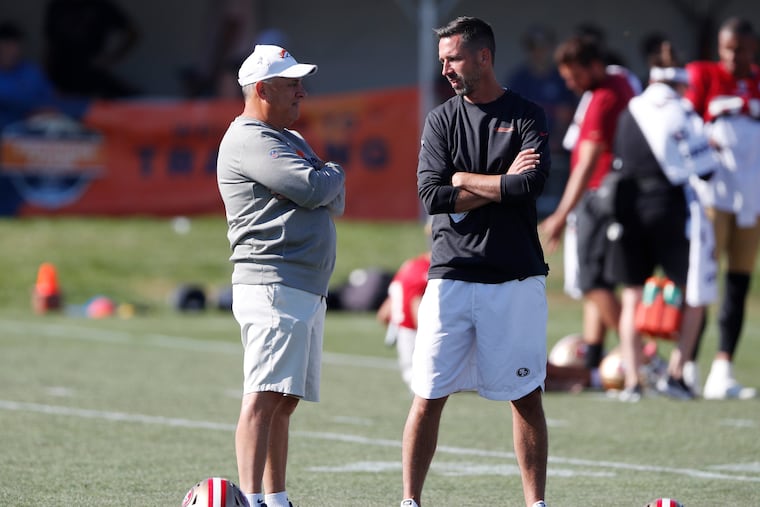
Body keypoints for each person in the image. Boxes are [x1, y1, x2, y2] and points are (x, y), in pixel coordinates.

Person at [401, 16, 551, 507]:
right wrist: (492, 183)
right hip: (452, 276)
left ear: (483, 57)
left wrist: (465, 179)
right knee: (427, 396)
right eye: (442, 59)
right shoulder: (442, 119)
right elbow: (432, 195)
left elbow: (528, 186)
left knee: (526, 398)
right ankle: (410, 501)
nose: (445, 68)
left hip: (516, 276)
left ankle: (536, 503)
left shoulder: (527, 113)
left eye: (454, 58)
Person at [216, 44, 345, 507]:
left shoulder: (288, 138)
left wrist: (326, 180)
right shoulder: (253, 138)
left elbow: (333, 197)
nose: (302, 93)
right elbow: (316, 188)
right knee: (265, 396)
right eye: (292, 85)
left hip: (300, 287)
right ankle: (252, 500)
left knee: (283, 400)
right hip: (274, 283)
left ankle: (276, 499)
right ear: (263, 89)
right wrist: (329, 174)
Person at [605, 63, 721, 401]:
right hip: (671, 210)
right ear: (681, 86)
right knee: (691, 293)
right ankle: (676, 374)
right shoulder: (682, 111)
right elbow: (707, 171)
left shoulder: (631, 110)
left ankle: (632, 383)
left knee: (631, 296)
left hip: (629, 210)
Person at [540, 35, 636, 384]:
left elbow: (586, 165)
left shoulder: (604, 97)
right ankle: (593, 361)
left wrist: (561, 214)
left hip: (600, 196)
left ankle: (642, 356)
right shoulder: (620, 81)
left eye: (573, 75)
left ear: (594, 66)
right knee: (600, 280)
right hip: (613, 195)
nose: (570, 83)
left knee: (591, 280)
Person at [684, 17, 760, 401]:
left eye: (740, 49)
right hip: (712, 196)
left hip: (752, 197)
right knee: (702, 280)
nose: (733, 57)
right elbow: (686, 123)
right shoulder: (704, 75)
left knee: (738, 283)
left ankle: (723, 369)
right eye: (727, 49)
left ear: (753, 48)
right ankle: (689, 365)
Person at [43, 0, 140, 98]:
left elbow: (133, 32)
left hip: (90, 73)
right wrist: (45, 77)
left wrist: (112, 58)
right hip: (59, 72)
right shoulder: (57, 6)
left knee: (130, 97)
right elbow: (50, 45)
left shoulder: (101, 6)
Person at [376, 246, 431, 390]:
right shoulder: (426, 269)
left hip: (402, 330)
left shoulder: (409, 265)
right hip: (413, 331)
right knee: (426, 384)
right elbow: (415, 301)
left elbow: (383, 313)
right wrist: (427, 334)